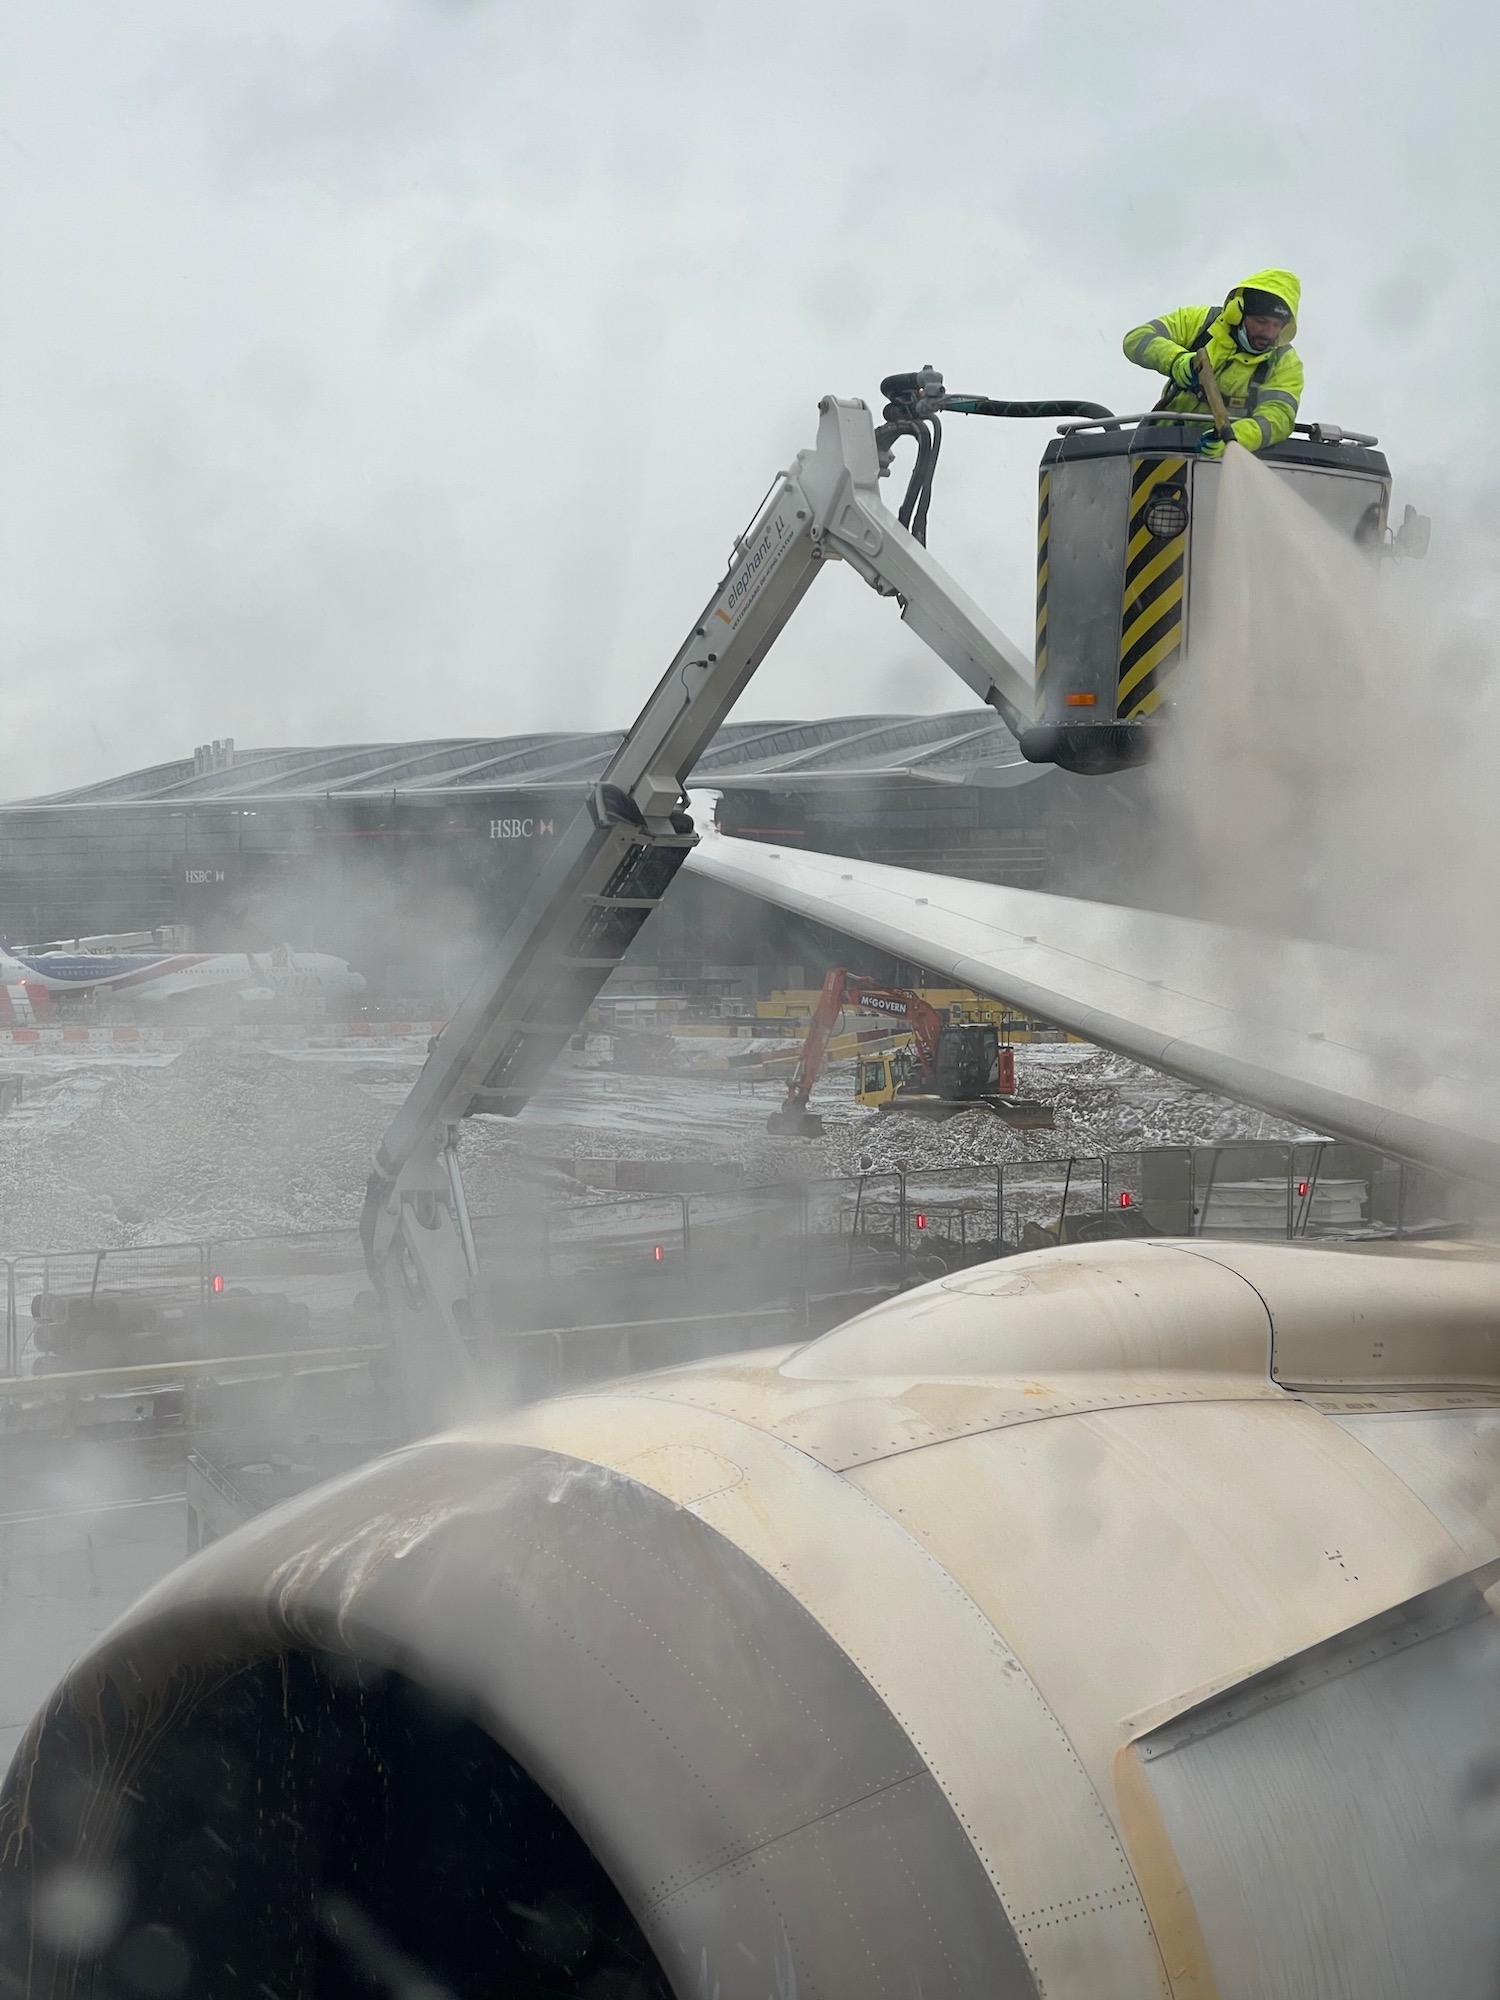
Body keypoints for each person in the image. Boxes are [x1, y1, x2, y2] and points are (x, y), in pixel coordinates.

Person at [1123, 268, 1302, 457]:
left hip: (1225, 458)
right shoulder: (1201, 322)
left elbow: (1279, 416)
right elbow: (1136, 339)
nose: (1268, 333)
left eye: (1276, 325)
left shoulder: (1285, 362)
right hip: (1163, 443)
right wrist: (1176, 360)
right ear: (1237, 311)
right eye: (1261, 321)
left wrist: (1235, 439)